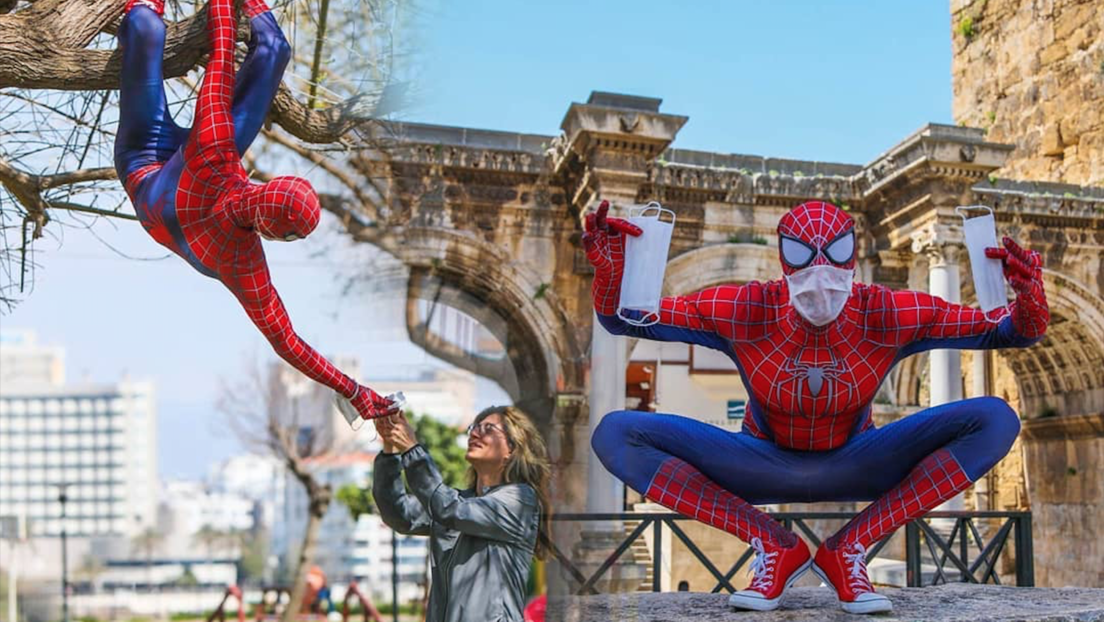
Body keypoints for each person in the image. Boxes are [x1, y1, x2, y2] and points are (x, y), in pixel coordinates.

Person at [587, 199, 1048, 614]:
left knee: (995, 418)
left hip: (858, 459)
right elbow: (627, 319)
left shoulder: (886, 313)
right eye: (804, 255)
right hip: (760, 463)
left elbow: (1008, 331)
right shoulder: (747, 309)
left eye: (836, 251)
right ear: (783, 259)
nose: (821, 270)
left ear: (854, 254)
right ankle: (772, 543)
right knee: (615, 433)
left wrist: (1030, 298)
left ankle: (850, 547)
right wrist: (609, 276)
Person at [113, 0, 396, 421]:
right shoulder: (244, 262)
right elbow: (288, 343)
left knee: (147, 26)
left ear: (268, 185)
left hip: (154, 166)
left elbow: (221, 52)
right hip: (170, 169)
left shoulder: (218, 153)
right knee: (268, 51)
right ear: (272, 232)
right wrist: (352, 390)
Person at [373, 406, 551, 622]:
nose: (475, 433)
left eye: (488, 428)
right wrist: (390, 449)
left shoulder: (520, 500)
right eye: (474, 427)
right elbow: (399, 514)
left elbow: (450, 509)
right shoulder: (457, 501)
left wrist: (412, 449)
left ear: (512, 449)